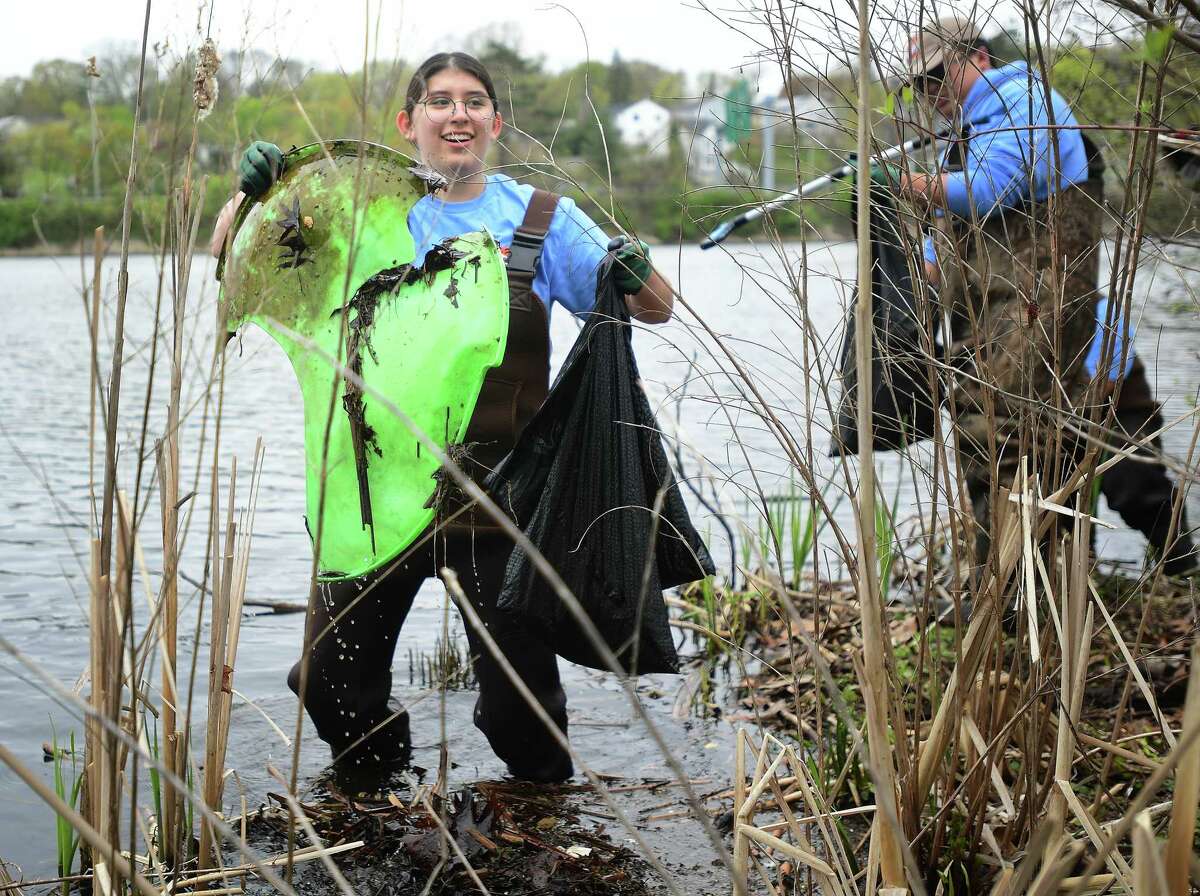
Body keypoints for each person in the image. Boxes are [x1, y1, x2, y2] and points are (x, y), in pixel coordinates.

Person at [211, 52, 675, 788]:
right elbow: (233, 257)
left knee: (519, 713)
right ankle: (377, 792)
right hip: (372, 501)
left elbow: (656, 306)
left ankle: (549, 817)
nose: (457, 113)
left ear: (496, 122)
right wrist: (252, 198)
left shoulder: (541, 219)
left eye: (474, 101)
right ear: (409, 122)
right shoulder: (352, 213)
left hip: (497, 503)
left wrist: (634, 268)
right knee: (331, 686)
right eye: (438, 101)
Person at [899, 15, 1105, 568]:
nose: (931, 93)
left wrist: (914, 187)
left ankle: (1014, 595)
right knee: (983, 431)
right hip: (993, 309)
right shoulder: (969, 130)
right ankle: (1016, 592)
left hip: (1041, 299)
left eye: (939, 75)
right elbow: (947, 240)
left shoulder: (1021, 103)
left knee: (1006, 436)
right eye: (920, 83)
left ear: (980, 58)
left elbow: (992, 189)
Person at [1087, 297, 1196, 575]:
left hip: (1121, 410)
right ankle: (1072, 573)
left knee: (1133, 478)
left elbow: (1105, 382)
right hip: (1049, 417)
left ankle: (1182, 566)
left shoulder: (1103, 312)